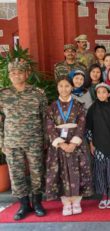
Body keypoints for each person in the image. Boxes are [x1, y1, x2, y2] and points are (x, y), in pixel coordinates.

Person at [0, 60, 48, 220]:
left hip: (34, 141)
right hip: (12, 142)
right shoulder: (3, 95)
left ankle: (38, 203)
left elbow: (45, 118)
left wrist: (45, 140)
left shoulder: (38, 93)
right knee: (16, 175)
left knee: (37, 173)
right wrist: (2, 143)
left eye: (19, 72)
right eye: (13, 73)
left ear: (27, 74)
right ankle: (23, 205)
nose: (16, 76)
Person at [45, 77, 93, 216]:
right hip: (58, 147)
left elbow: (82, 123)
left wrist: (73, 143)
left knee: (78, 170)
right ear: (57, 88)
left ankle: (77, 201)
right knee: (60, 172)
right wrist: (60, 143)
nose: (64, 89)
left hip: (76, 145)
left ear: (72, 87)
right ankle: (66, 203)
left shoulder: (79, 105)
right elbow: (49, 126)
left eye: (67, 86)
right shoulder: (52, 107)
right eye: (61, 86)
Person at [86, 83, 110, 209]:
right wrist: (91, 143)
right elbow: (88, 127)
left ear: (109, 94)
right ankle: (104, 195)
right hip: (98, 144)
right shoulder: (92, 109)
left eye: (104, 92)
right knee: (100, 170)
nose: (101, 94)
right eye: (98, 92)